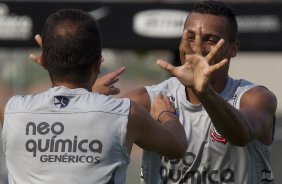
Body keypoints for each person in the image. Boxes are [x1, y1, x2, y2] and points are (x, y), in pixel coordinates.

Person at [0, 9, 188, 184]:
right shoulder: (127, 114)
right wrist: (166, 114)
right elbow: (178, 147)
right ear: (98, 64)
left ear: (43, 61)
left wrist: (78, 89)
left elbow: (66, 110)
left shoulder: (11, 112)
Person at [123, 1, 277, 183]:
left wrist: (203, 91)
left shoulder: (255, 97)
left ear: (233, 49)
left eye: (211, 40)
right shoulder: (147, 100)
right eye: (190, 37)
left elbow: (241, 135)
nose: (197, 48)